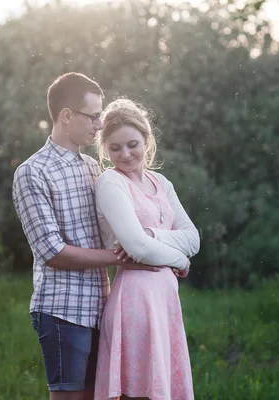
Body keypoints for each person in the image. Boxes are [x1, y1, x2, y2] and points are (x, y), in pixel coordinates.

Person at [12, 73, 163, 400]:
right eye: (93, 117)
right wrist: (127, 259)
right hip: (63, 309)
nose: (99, 125)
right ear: (66, 116)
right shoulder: (32, 172)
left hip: (103, 307)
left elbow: (120, 229)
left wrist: (162, 252)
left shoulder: (94, 168)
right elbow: (53, 252)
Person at [93, 99, 200, 400]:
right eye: (115, 148)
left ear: (147, 140)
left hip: (164, 301)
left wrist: (152, 234)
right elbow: (136, 247)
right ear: (105, 150)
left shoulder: (161, 182)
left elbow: (193, 238)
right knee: (137, 394)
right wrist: (180, 260)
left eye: (132, 144)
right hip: (135, 303)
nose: (125, 154)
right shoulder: (111, 182)